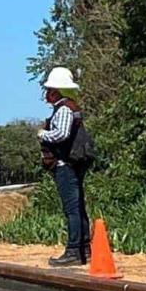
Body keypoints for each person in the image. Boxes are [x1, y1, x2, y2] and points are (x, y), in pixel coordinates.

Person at [37, 67, 91, 267]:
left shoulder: (64, 109)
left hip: (65, 164)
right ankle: (85, 249)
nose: (46, 94)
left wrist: (43, 134)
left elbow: (61, 134)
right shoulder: (71, 107)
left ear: (55, 91)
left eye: (48, 90)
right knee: (78, 207)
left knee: (72, 209)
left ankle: (73, 251)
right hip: (74, 161)